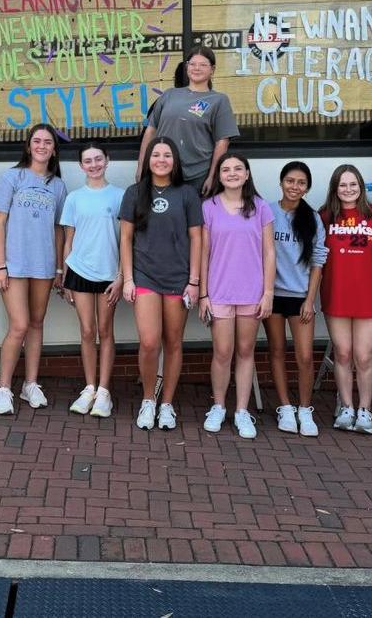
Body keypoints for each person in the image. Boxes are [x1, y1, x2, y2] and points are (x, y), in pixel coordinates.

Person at [120, 136, 202, 431]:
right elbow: (125, 238)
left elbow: (197, 238)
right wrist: (128, 278)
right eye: (156, 155)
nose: (162, 160)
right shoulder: (134, 192)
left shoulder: (187, 194)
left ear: (175, 161)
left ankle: (166, 403)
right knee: (149, 342)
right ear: (148, 160)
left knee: (174, 342)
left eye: (168, 155)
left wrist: (194, 281)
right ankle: (148, 400)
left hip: (179, 278)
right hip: (145, 276)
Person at [0, 124, 67, 415]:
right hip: (14, 264)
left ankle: (30, 384)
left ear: (54, 150)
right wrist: (0, 265)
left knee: (36, 323)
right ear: (28, 146)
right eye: (37, 141)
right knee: (19, 325)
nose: (42, 146)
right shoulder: (12, 177)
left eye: (48, 142)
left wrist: (59, 268)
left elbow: (59, 229)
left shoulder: (58, 185)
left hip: (43, 265)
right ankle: (3, 387)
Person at [199, 153, 275, 439]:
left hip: (251, 292)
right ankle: (219, 406)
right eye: (226, 169)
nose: (232, 173)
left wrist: (268, 293)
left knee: (245, 351)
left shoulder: (261, 207)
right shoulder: (209, 207)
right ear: (219, 176)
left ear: (246, 174)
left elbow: (269, 252)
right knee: (222, 352)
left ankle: (242, 410)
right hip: (219, 291)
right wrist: (204, 294)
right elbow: (204, 253)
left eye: (237, 169)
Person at [320, 164, 372, 435]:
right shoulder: (325, 216)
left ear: (361, 187)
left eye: (353, 184)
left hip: (369, 295)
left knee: (364, 356)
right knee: (343, 353)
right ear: (335, 189)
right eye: (342, 185)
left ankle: (365, 409)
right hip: (336, 294)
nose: (348, 189)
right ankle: (347, 406)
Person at [60, 143, 123, 418]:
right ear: (81, 166)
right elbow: (68, 239)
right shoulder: (74, 198)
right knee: (87, 331)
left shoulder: (120, 196)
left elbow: (127, 240)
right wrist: (64, 276)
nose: (94, 164)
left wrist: (122, 276)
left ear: (107, 160)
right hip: (79, 270)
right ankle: (89, 388)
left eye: (99, 159)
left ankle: (104, 392)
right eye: (88, 161)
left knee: (105, 330)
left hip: (109, 274)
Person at [265, 161, 327, 437]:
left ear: (307, 187)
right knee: (277, 351)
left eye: (301, 183)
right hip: (272, 296)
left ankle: (305, 409)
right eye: (290, 181)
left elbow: (318, 261)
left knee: (304, 356)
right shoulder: (267, 212)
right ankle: (286, 407)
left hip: (300, 296)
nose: (295, 186)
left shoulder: (312, 218)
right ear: (281, 182)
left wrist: (310, 300)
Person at [138, 46, 239, 196]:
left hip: (198, 176)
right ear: (187, 67)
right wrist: (141, 167)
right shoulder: (169, 95)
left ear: (212, 69)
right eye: (192, 64)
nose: (197, 68)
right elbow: (150, 131)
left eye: (203, 65)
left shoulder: (219, 100)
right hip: (162, 172)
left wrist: (213, 176)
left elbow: (222, 142)